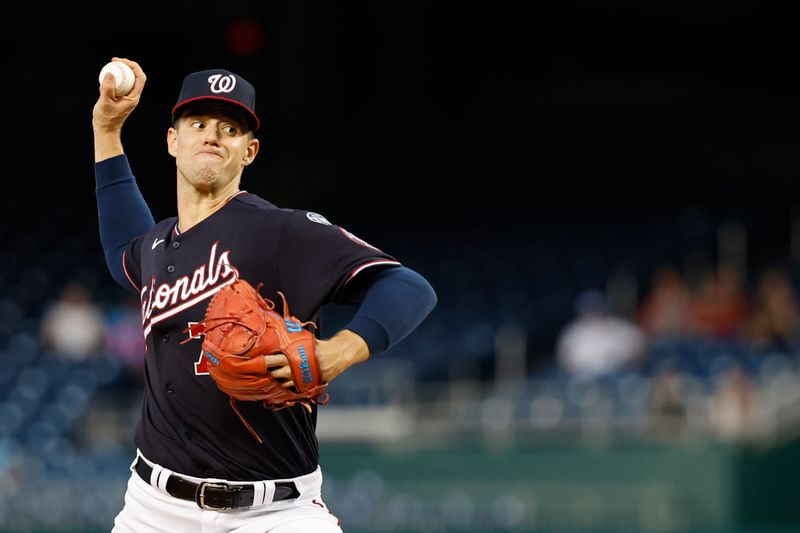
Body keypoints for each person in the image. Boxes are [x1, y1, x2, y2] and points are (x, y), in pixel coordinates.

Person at [92, 57, 437, 532]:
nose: (212, 135)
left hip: (275, 512)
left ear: (249, 151)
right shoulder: (156, 245)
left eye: (229, 128)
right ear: (174, 141)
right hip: (153, 509)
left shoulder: (280, 230)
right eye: (198, 123)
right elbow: (120, 250)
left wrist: (339, 351)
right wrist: (107, 131)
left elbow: (409, 287)